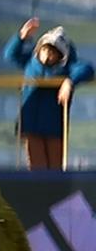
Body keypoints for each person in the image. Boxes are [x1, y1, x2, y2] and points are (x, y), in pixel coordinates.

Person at [13, 19, 95, 168]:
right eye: (45, 49)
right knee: (37, 170)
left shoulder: (67, 68)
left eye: (52, 52)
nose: (47, 55)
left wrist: (69, 81)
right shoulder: (29, 62)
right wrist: (21, 37)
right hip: (31, 125)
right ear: (39, 49)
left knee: (55, 172)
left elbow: (87, 68)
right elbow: (10, 55)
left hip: (54, 127)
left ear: (61, 55)